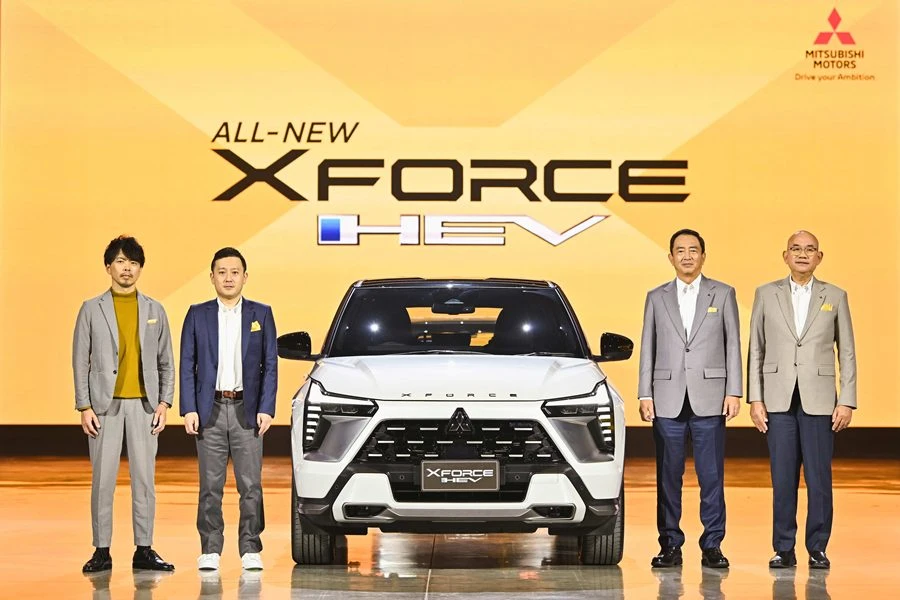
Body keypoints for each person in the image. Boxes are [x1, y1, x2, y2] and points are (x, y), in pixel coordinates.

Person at [747, 230, 856, 570]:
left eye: (810, 249)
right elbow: (756, 349)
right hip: (777, 399)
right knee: (782, 479)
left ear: (819, 257)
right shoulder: (766, 294)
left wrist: (847, 400)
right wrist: (755, 399)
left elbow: (847, 352)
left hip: (820, 401)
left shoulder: (835, 296)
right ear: (785, 256)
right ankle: (783, 548)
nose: (803, 254)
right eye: (796, 249)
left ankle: (817, 547)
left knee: (819, 478)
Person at [638, 229, 742, 569]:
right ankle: (670, 544)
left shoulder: (723, 293)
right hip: (666, 398)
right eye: (680, 250)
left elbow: (732, 344)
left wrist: (733, 391)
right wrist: (645, 393)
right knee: (668, 477)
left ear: (703, 256)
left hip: (710, 397)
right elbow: (648, 346)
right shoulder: (656, 296)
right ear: (670, 257)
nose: (686, 256)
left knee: (711, 476)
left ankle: (713, 544)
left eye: (693, 250)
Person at [73, 235, 175, 572]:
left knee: (145, 481)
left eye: (132, 262)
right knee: (103, 481)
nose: (126, 268)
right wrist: (84, 406)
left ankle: (144, 549)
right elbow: (80, 361)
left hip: (145, 407)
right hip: (104, 408)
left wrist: (164, 403)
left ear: (140, 268)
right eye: (120, 261)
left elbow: (166, 361)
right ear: (108, 267)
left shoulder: (155, 309)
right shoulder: (91, 308)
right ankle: (101, 550)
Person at [180, 247, 277, 571]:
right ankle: (210, 548)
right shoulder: (198, 314)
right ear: (212, 277)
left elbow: (270, 364)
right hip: (209, 410)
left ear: (245, 277)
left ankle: (250, 547)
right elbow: (187, 363)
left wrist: (266, 408)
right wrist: (189, 408)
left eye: (234, 272)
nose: (228, 278)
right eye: (221, 272)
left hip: (246, 410)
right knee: (210, 486)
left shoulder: (262, 314)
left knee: (251, 485)